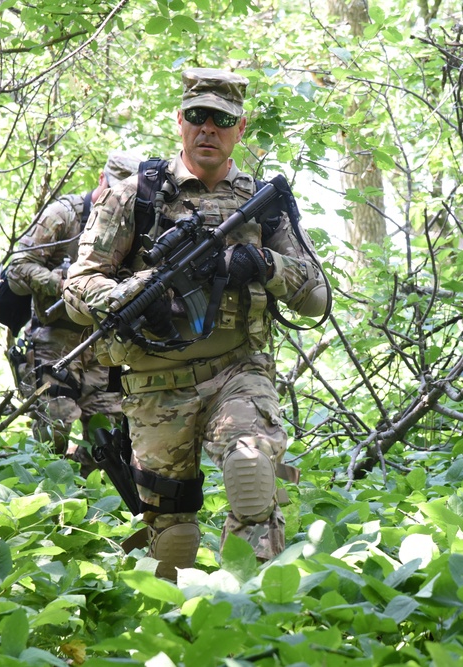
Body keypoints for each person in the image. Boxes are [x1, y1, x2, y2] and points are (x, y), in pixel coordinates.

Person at [62, 68, 329, 579]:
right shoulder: (135, 195)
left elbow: (315, 298)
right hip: (155, 382)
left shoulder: (264, 204)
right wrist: (133, 295)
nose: (208, 128)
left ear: (240, 128)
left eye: (221, 119)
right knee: (173, 529)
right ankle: (167, 632)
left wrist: (265, 265)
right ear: (179, 121)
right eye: (196, 116)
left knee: (251, 470)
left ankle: (252, 611)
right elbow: (78, 290)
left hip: (237, 369)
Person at [5, 153, 138, 474]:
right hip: (53, 341)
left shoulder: (132, 224)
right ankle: (43, 498)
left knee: (110, 437)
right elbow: (17, 267)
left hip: (101, 345)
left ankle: (81, 497)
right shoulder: (64, 215)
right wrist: (63, 283)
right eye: (116, 192)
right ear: (102, 180)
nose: (120, 202)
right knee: (54, 429)